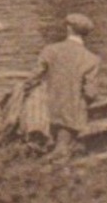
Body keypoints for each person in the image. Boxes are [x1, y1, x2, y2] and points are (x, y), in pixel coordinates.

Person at [31, 13, 100, 157]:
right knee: (77, 105)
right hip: (72, 115)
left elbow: (33, 78)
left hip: (48, 110)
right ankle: (65, 146)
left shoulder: (50, 50)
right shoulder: (92, 59)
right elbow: (91, 93)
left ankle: (49, 144)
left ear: (68, 29)